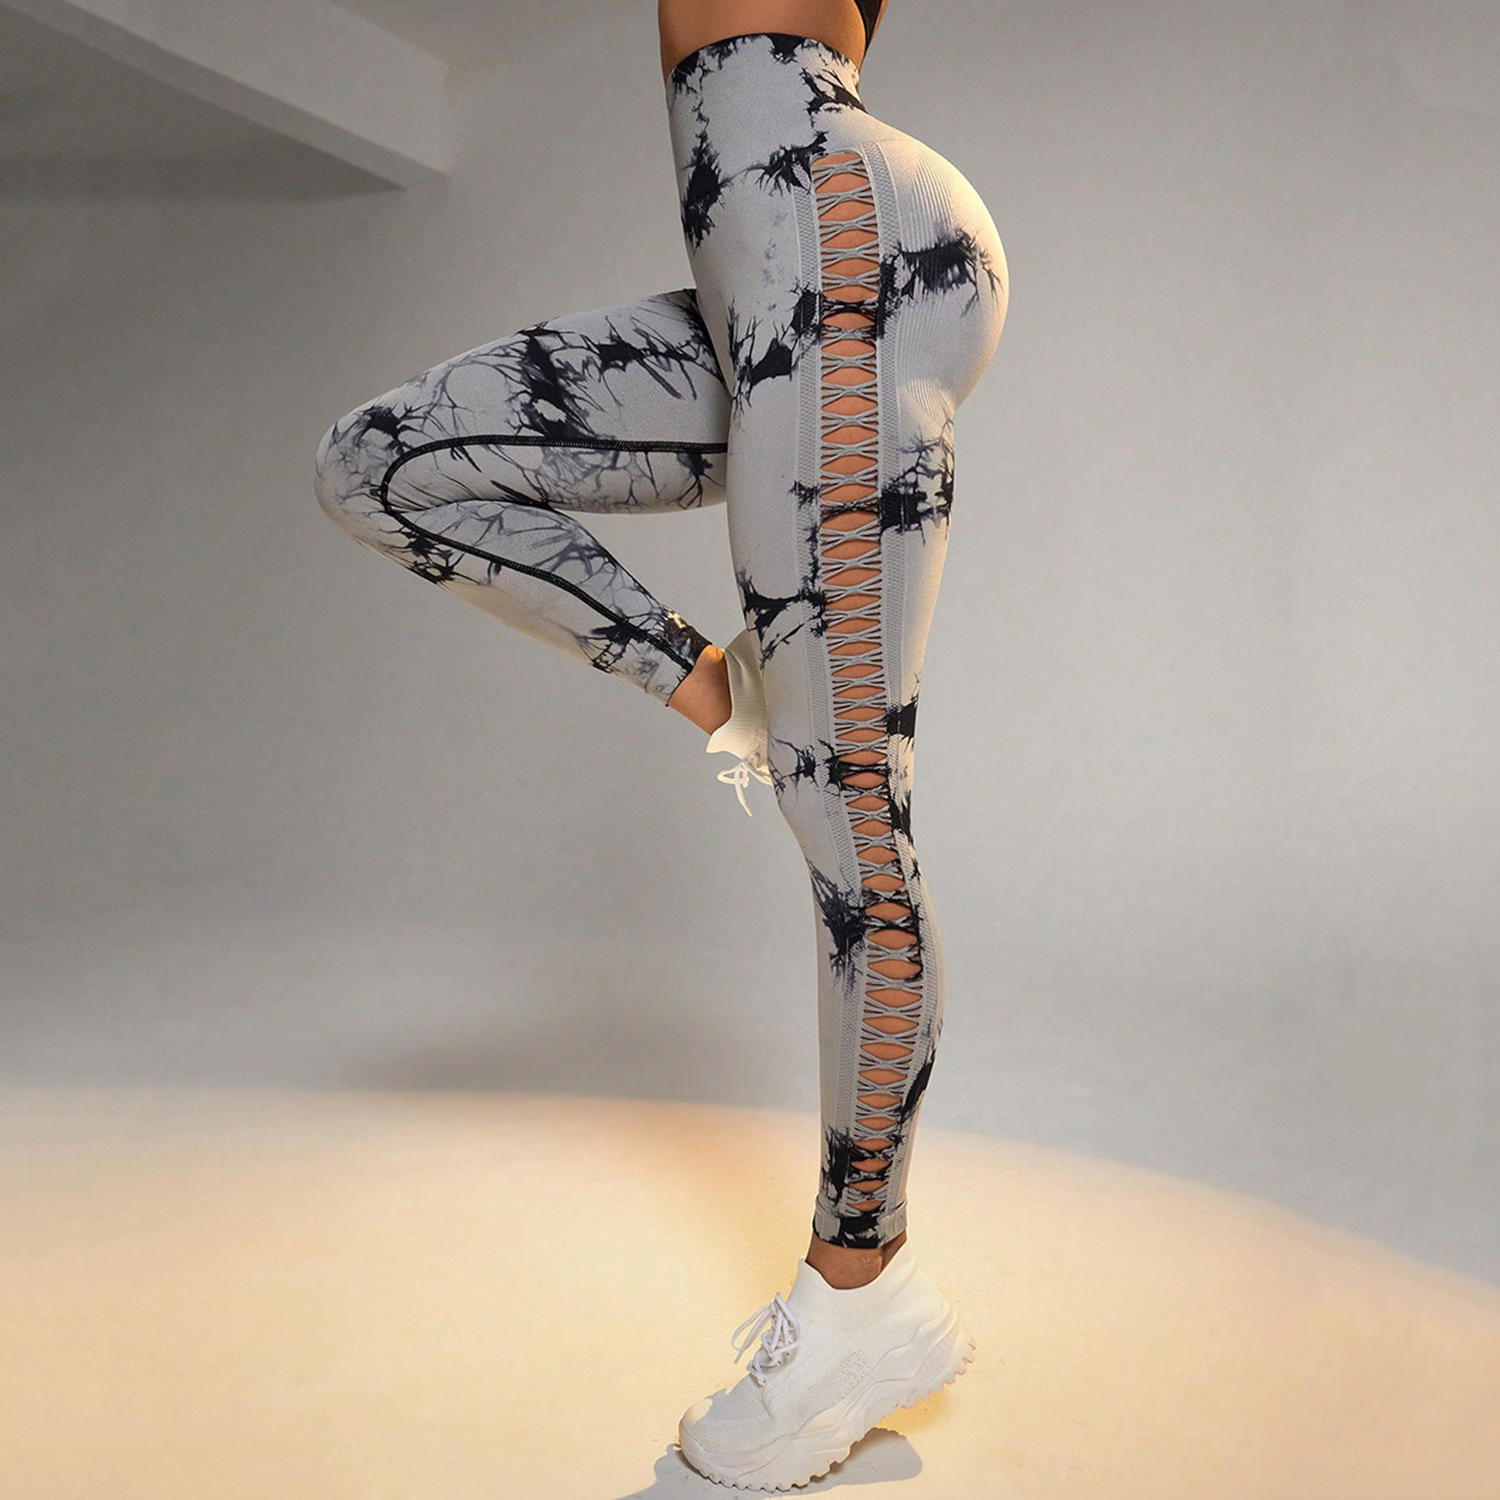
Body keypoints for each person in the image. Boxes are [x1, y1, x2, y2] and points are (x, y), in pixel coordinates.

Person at [314, 0, 1008, 1485]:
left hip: (834, 222)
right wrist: (708, 679)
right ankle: (732, 694)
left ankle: (862, 1292)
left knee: (850, 815)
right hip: (762, 249)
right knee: (385, 461)